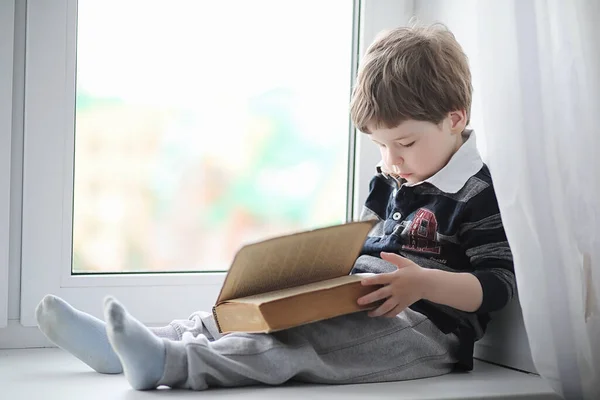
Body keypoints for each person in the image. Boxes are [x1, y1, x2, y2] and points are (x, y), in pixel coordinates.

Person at [35, 23, 516, 391]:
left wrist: (421, 283)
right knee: (256, 307)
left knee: (295, 346)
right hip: (362, 299)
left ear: (456, 119)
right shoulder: (397, 177)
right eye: (379, 146)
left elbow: (498, 286)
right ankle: (144, 343)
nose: (391, 160)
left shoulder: (476, 193)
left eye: (404, 143)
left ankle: (172, 364)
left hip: (424, 331)